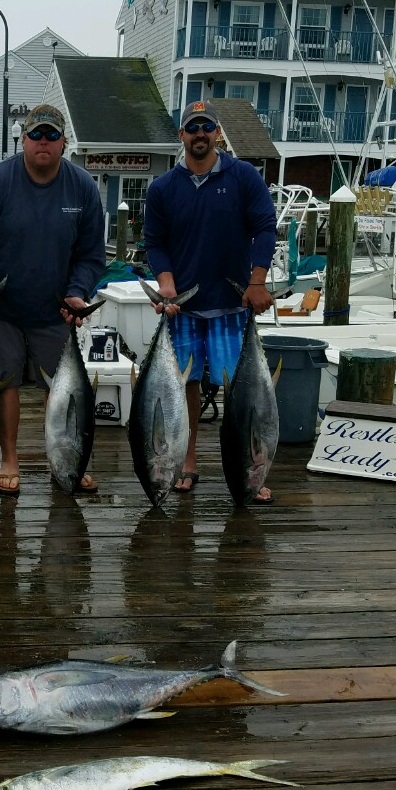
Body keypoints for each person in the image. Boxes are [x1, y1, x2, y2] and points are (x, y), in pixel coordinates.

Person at [0, 103, 106, 496]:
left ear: (64, 143)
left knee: (61, 387)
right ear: (23, 139)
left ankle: (65, 456)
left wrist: (77, 292)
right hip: (2, 308)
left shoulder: (83, 188)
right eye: (36, 135)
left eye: (52, 136)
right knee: (5, 382)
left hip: (56, 310)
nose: (44, 142)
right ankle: (9, 459)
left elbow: (92, 254)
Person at [142, 100, 277, 499]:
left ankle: (251, 466)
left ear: (217, 133)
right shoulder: (163, 188)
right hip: (182, 307)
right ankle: (187, 460)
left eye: (207, 127)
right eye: (192, 127)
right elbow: (154, 242)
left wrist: (257, 281)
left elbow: (265, 227)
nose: (200, 134)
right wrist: (165, 283)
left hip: (233, 306)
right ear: (181, 136)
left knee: (244, 389)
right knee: (186, 386)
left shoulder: (244, 177)